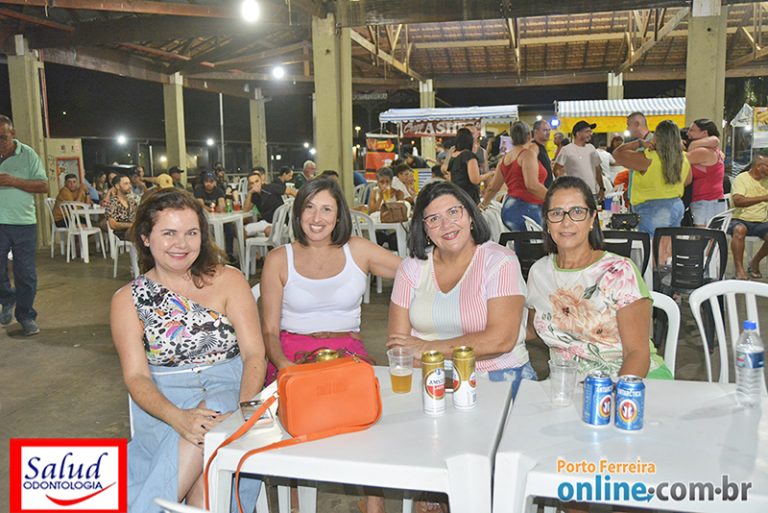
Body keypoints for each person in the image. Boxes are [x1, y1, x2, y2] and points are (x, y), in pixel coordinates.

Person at [110, 188, 264, 512]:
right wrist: (177, 417)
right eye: (169, 233)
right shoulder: (127, 300)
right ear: (145, 238)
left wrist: (244, 414)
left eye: (191, 233)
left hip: (232, 393)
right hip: (165, 408)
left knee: (211, 416)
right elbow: (136, 377)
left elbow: (254, 354)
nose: (182, 244)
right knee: (205, 482)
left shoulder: (229, 280)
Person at [260, 178, 400, 513]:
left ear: (339, 216)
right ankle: (295, 502)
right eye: (309, 207)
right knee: (296, 414)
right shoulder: (279, 259)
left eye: (326, 209)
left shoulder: (358, 250)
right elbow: (269, 331)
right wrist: (284, 365)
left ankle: (374, 502)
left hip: (347, 353)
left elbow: (413, 274)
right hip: (292, 353)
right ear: (298, 213)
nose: (317, 218)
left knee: (368, 415)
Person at [388, 181, 536, 399]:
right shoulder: (411, 267)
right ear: (425, 229)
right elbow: (399, 346)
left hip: (498, 375)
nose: (446, 225)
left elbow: (500, 340)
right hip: (431, 376)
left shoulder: (500, 261)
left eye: (453, 212)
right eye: (434, 219)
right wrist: (429, 370)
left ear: (470, 216)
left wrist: (427, 348)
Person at [525, 176, 672, 380]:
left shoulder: (619, 271)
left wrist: (612, 395)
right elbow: (531, 330)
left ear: (592, 219)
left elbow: (637, 354)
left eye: (577, 212)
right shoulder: (539, 273)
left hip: (631, 380)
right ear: (547, 223)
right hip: (569, 383)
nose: (566, 222)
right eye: (557, 213)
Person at [612, 120, 692, 262]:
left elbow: (617, 153)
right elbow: (687, 181)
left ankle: (654, 275)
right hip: (676, 206)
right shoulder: (683, 158)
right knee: (666, 251)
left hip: (652, 209)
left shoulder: (647, 159)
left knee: (652, 254)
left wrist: (639, 143)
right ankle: (665, 274)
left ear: (658, 138)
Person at [0, 114, 49, 336]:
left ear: (12, 134)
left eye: (2, 137)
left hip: (23, 223)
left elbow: (43, 186)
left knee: (25, 273)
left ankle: (26, 315)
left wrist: (13, 181)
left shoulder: (28, 155)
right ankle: (7, 298)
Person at [479, 121, 548, 231]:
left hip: (508, 209)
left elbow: (493, 188)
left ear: (511, 138)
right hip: (529, 208)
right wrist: (554, 198)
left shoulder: (504, 159)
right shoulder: (527, 154)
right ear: (529, 135)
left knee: (518, 240)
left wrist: (482, 206)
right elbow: (532, 185)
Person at [728, 150, 768, 280]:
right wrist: (763, 198)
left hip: (761, 222)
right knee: (739, 230)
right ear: (759, 166)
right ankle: (739, 269)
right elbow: (738, 201)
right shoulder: (742, 178)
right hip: (740, 218)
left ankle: (755, 262)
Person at [686, 118, 726, 226]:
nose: (688, 133)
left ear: (704, 133)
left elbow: (679, 160)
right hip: (713, 201)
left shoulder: (703, 152)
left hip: (706, 202)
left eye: (692, 130)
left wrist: (692, 145)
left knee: (702, 235)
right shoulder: (716, 150)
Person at [553, 120, 605, 199]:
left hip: (592, 192)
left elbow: (597, 169)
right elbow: (557, 169)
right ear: (578, 134)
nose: (590, 134)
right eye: (587, 132)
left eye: (590, 131)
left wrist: (602, 188)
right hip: (574, 194)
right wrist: (565, 186)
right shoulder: (566, 150)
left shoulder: (591, 148)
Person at [194, 170, 236, 263]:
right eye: (206, 181)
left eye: (211, 181)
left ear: (215, 182)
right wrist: (213, 208)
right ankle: (211, 255)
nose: (208, 184)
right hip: (204, 218)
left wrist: (216, 208)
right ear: (203, 182)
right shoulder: (199, 190)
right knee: (209, 230)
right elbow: (200, 205)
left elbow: (222, 205)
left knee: (229, 227)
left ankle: (229, 254)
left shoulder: (219, 190)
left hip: (218, 218)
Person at [442, 127, 481, 203]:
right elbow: (475, 180)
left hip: (455, 193)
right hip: (468, 196)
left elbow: (444, 170)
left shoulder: (453, 155)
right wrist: (489, 174)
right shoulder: (469, 155)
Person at [243, 171, 284, 237]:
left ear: (261, 181)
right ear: (249, 185)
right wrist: (249, 193)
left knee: (268, 231)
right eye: (252, 183)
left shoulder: (271, 188)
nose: (255, 184)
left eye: (257, 181)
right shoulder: (254, 195)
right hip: (266, 222)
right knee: (243, 230)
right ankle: (252, 243)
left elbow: (291, 191)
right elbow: (245, 210)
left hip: (280, 222)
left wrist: (299, 206)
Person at [105, 174, 138, 240]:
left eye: (129, 183)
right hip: (123, 232)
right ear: (117, 186)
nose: (130, 186)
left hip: (135, 229)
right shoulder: (113, 203)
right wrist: (131, 225)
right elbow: (112, 225)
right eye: (126, 184)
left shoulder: (132, 201)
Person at [532, 119, 555, 187]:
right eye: (545, 130)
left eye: (549, 130)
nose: (548, 133)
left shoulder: (542, 147)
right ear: (536, 131)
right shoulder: (533, 148)